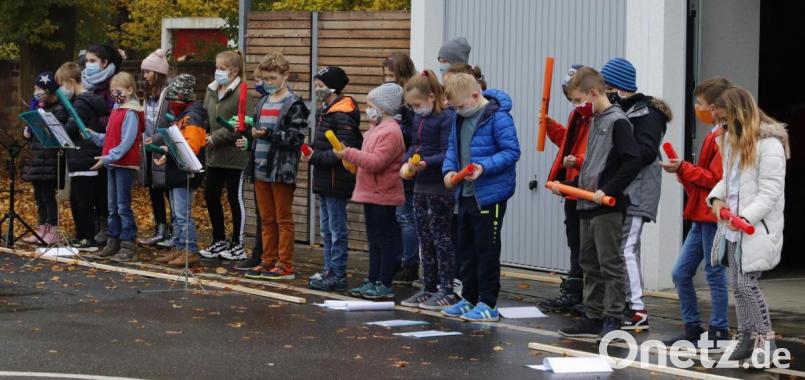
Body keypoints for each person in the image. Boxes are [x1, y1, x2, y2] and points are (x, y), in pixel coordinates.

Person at [557, 67, 641, 338]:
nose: (579, 106)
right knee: (588, 261)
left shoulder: (617, 121)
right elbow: (594, 163)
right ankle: (592, 316)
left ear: (593, 94)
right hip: (586, 204)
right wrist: (571, 186)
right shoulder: (594, 120)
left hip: (607, 205)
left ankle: (613, 318)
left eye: (580, 99)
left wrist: (606, 190)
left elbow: (631, 161)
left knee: (609, 262)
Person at [708, 86, 788, 364]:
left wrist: (745, 219)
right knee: (736, 285)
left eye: (722, 116)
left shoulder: (770, 144)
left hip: (755, 228)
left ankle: (766, 339)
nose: (720, 123)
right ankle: (745, 337)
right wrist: (717, 199)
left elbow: (770, 191)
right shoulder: (732, 139)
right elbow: (729, 180)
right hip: (733, 226)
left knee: (747, 284)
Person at [440, 73, 520, 322]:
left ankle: (488, 302)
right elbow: (453, 147)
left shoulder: (498, 118)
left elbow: (511, 152)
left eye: (461, 106)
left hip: (489, 195)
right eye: (454, 108)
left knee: (486, 249)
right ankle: (469, 297)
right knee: (466, 248)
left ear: (475, 96)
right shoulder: (458, 118)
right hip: (464, 193)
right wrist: (449, 170)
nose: (458, 111)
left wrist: (484, 167)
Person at [601, 57, 671, 330]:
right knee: (623, 248)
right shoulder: (621, 109)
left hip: (639, 189)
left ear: (616, 85)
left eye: (607, 85)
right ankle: (626, 303)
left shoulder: (647, 113)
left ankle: (637, 309)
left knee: (626, 248)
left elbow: (645, 151)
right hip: (623, 187)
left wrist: (616, 156)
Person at [660, 77, 730, 349]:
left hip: (713, 215)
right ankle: (693, 328)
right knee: (680, 272)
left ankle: (719, 330)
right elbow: (707, 178)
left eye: (700, 103)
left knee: (714, 273)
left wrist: (683, 169)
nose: (697, 108)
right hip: (702, 215)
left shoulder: (724, 136)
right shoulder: (715, 133)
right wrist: (684, 171)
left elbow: (715, 179)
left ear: (714, 106)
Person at [241, 52, 309, 281]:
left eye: (272, 78)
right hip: (260, 167)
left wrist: (269, 134)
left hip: (281, 170)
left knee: (283, 218)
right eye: (265, 79)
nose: (268, 83)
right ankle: (267, 259)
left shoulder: (294, 104)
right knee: (267, 218)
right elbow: (259, 134)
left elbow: (295, 138)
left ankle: (285, 264)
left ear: (285, 75)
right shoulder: (262, 102)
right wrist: (253, 135)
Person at [339, 83, 406, 300]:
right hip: (370, 192)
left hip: (383, 194)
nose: (368, 109)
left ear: (383, 106)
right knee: (374, 240)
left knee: (384, 240)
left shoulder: (391, 131)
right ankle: (372, 279)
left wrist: (348, 153)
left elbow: (377, 162)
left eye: (371, 105)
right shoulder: (375, 129)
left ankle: (384, 282)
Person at [398, 70, 458, 309]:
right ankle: (429, 286)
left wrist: (425, 163)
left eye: (418, 104)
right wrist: (408, 159)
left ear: (432, 97)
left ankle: (447, 288)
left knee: (441, 238)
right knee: (424, 238)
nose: (415, 109)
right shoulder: (419, 118)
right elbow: (415, 144)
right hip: (420, 185)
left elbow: (447, 152)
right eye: (411, 106)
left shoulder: (446, 118)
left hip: (439, 187)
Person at [538, 64, 591, 313]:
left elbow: (591, 152)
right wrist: (551, 126)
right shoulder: (576, 116)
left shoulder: (598, 117)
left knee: (585, 243)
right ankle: (574, 289)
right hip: (571, 187)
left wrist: (578, 162)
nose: (573, 102)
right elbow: (568, 142)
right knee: (574, 239)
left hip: (586, 187)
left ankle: (585, 294)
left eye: (575, 97)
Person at [304, 66, 363, 291]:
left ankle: (338, 272)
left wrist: (315, 156)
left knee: (337, 230)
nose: (316, 89)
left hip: (336, 179)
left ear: (333, 87)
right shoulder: (325, 110)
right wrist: (311, 149)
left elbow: (344, 149)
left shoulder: (343, 112)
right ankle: (329, 269)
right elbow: (322, 143)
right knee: (326, 230)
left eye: (320, 85)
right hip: (324, 179)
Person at [86, 72, 145, 262]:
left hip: (124, 164)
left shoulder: (131, 112)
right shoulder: (116, 110)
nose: (115, 95)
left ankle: (128, 243)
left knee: (122, 206)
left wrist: (107, 158)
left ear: (130, 89)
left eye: (118, 91)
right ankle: (113, 240)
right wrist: (93, 135)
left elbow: (127, 142)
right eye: (112, 91)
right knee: (112, 206)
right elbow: (109, 138)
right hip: (112, 162)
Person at [151, 74, 207, 267]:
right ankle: (179, 246)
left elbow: (191, 147)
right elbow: (177, 141)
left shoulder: (193, 116)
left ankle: (190, 249)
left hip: (186, 172)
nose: (171, 103)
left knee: (183, 214)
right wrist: (167, 154)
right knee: (176, 213)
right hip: (176, 170)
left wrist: (170, 151)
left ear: (183, 97)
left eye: (173, 99)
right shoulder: (180, 115)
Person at [200, 50, 250, 261]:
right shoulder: (211, 90)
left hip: (234, 155)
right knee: (210, 194)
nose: (217, 72)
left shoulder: (242, 92)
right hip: (214, 154)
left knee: (233, 197)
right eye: (217, 67)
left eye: (222, 69)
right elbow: (205, 116)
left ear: (234, 71)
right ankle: (218, 239)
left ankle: (237, 243)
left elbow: (243, 122)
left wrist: (217, 137)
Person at [55, 62, 109, 252]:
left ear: (70, 82)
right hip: (80, 156)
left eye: (62, 85)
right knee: (77, 199)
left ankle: (88, 237)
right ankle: (82, 235)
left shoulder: (81, 103)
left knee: (83, 200)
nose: (62, 89)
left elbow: (69, 130)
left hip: (83, 156)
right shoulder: (84, 101)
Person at [382, 52, 420, 285]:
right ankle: (401, 260)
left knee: (406, 216)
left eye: (391, 75)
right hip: (398, 163)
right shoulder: (399, 99)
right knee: (400, 216)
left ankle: (409, 264)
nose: (387, 80)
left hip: (407, 164)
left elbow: (412, 134)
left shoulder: (409, 102)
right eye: (385, 75)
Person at [83, 44, 123, 246]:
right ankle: (98, 225)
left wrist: (95, 122)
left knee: (106, 189)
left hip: (106, 142)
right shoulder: (87, 84)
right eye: (87, 61)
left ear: (105, 62)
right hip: (89, 142)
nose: (88, 66)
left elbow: (118, 112)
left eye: (93, 61)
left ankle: (109, 228)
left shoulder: (115, 85)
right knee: (94, 189)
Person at [21, 71, 68, 245]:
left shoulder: (58, 109)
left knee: (48, 196)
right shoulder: (38, 107)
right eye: (35, 89)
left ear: (48, 91)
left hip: (50, 160)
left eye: (39, 89)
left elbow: (55, 132)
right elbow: (32, 133)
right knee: (39, 196)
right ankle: (41, 228)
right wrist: (27, 131)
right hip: (37, 158)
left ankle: (53, 229)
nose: (36, 92)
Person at [138, 48, 173, 247]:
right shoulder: (148, 94)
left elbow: (171, 123)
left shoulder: (167, 95)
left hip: (163, 149)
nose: (145, 76)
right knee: (153, 189)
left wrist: (158, 138)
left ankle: (174, 228)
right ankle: (160, 226)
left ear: (158, 73)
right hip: (148, 148)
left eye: (148, 72)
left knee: (166, 188)